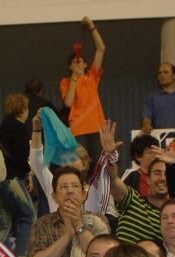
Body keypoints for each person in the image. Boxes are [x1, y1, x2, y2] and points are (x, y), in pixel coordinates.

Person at [28, 165, 110, 257]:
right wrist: (67, 236)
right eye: (64, 187)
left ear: (84, 195)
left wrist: (78, 225)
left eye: (75, 186)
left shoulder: (98, 220)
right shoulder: (42, 224)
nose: (70, 191)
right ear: (54, 196)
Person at [0, 93, 35, 254]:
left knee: (5, 221)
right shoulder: (20, 128)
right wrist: (28, 172)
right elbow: (21, 156)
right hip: (12, 179)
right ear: (24, 109)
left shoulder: (1, 128)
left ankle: (0, 256)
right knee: (28, 215)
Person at [60, 16, 107, 164]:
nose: (78, 64)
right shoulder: (66, 81)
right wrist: (74, 78)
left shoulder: (92, 76)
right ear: (70, 66)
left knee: (99, 166)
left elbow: (101, 49)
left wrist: (91, 26)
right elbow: (68, 103)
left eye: (81, 61)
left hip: (97, 127)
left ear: (86, 65)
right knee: (81, 166)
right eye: (75, 62)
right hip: (78, 130)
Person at [141, 63, 175, 133]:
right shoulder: (152, 97)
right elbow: (146, 117)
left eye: (166, 72)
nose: (162, 75)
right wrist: (146, 125)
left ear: (174, 76)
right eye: (159, 73)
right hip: (160, 139)